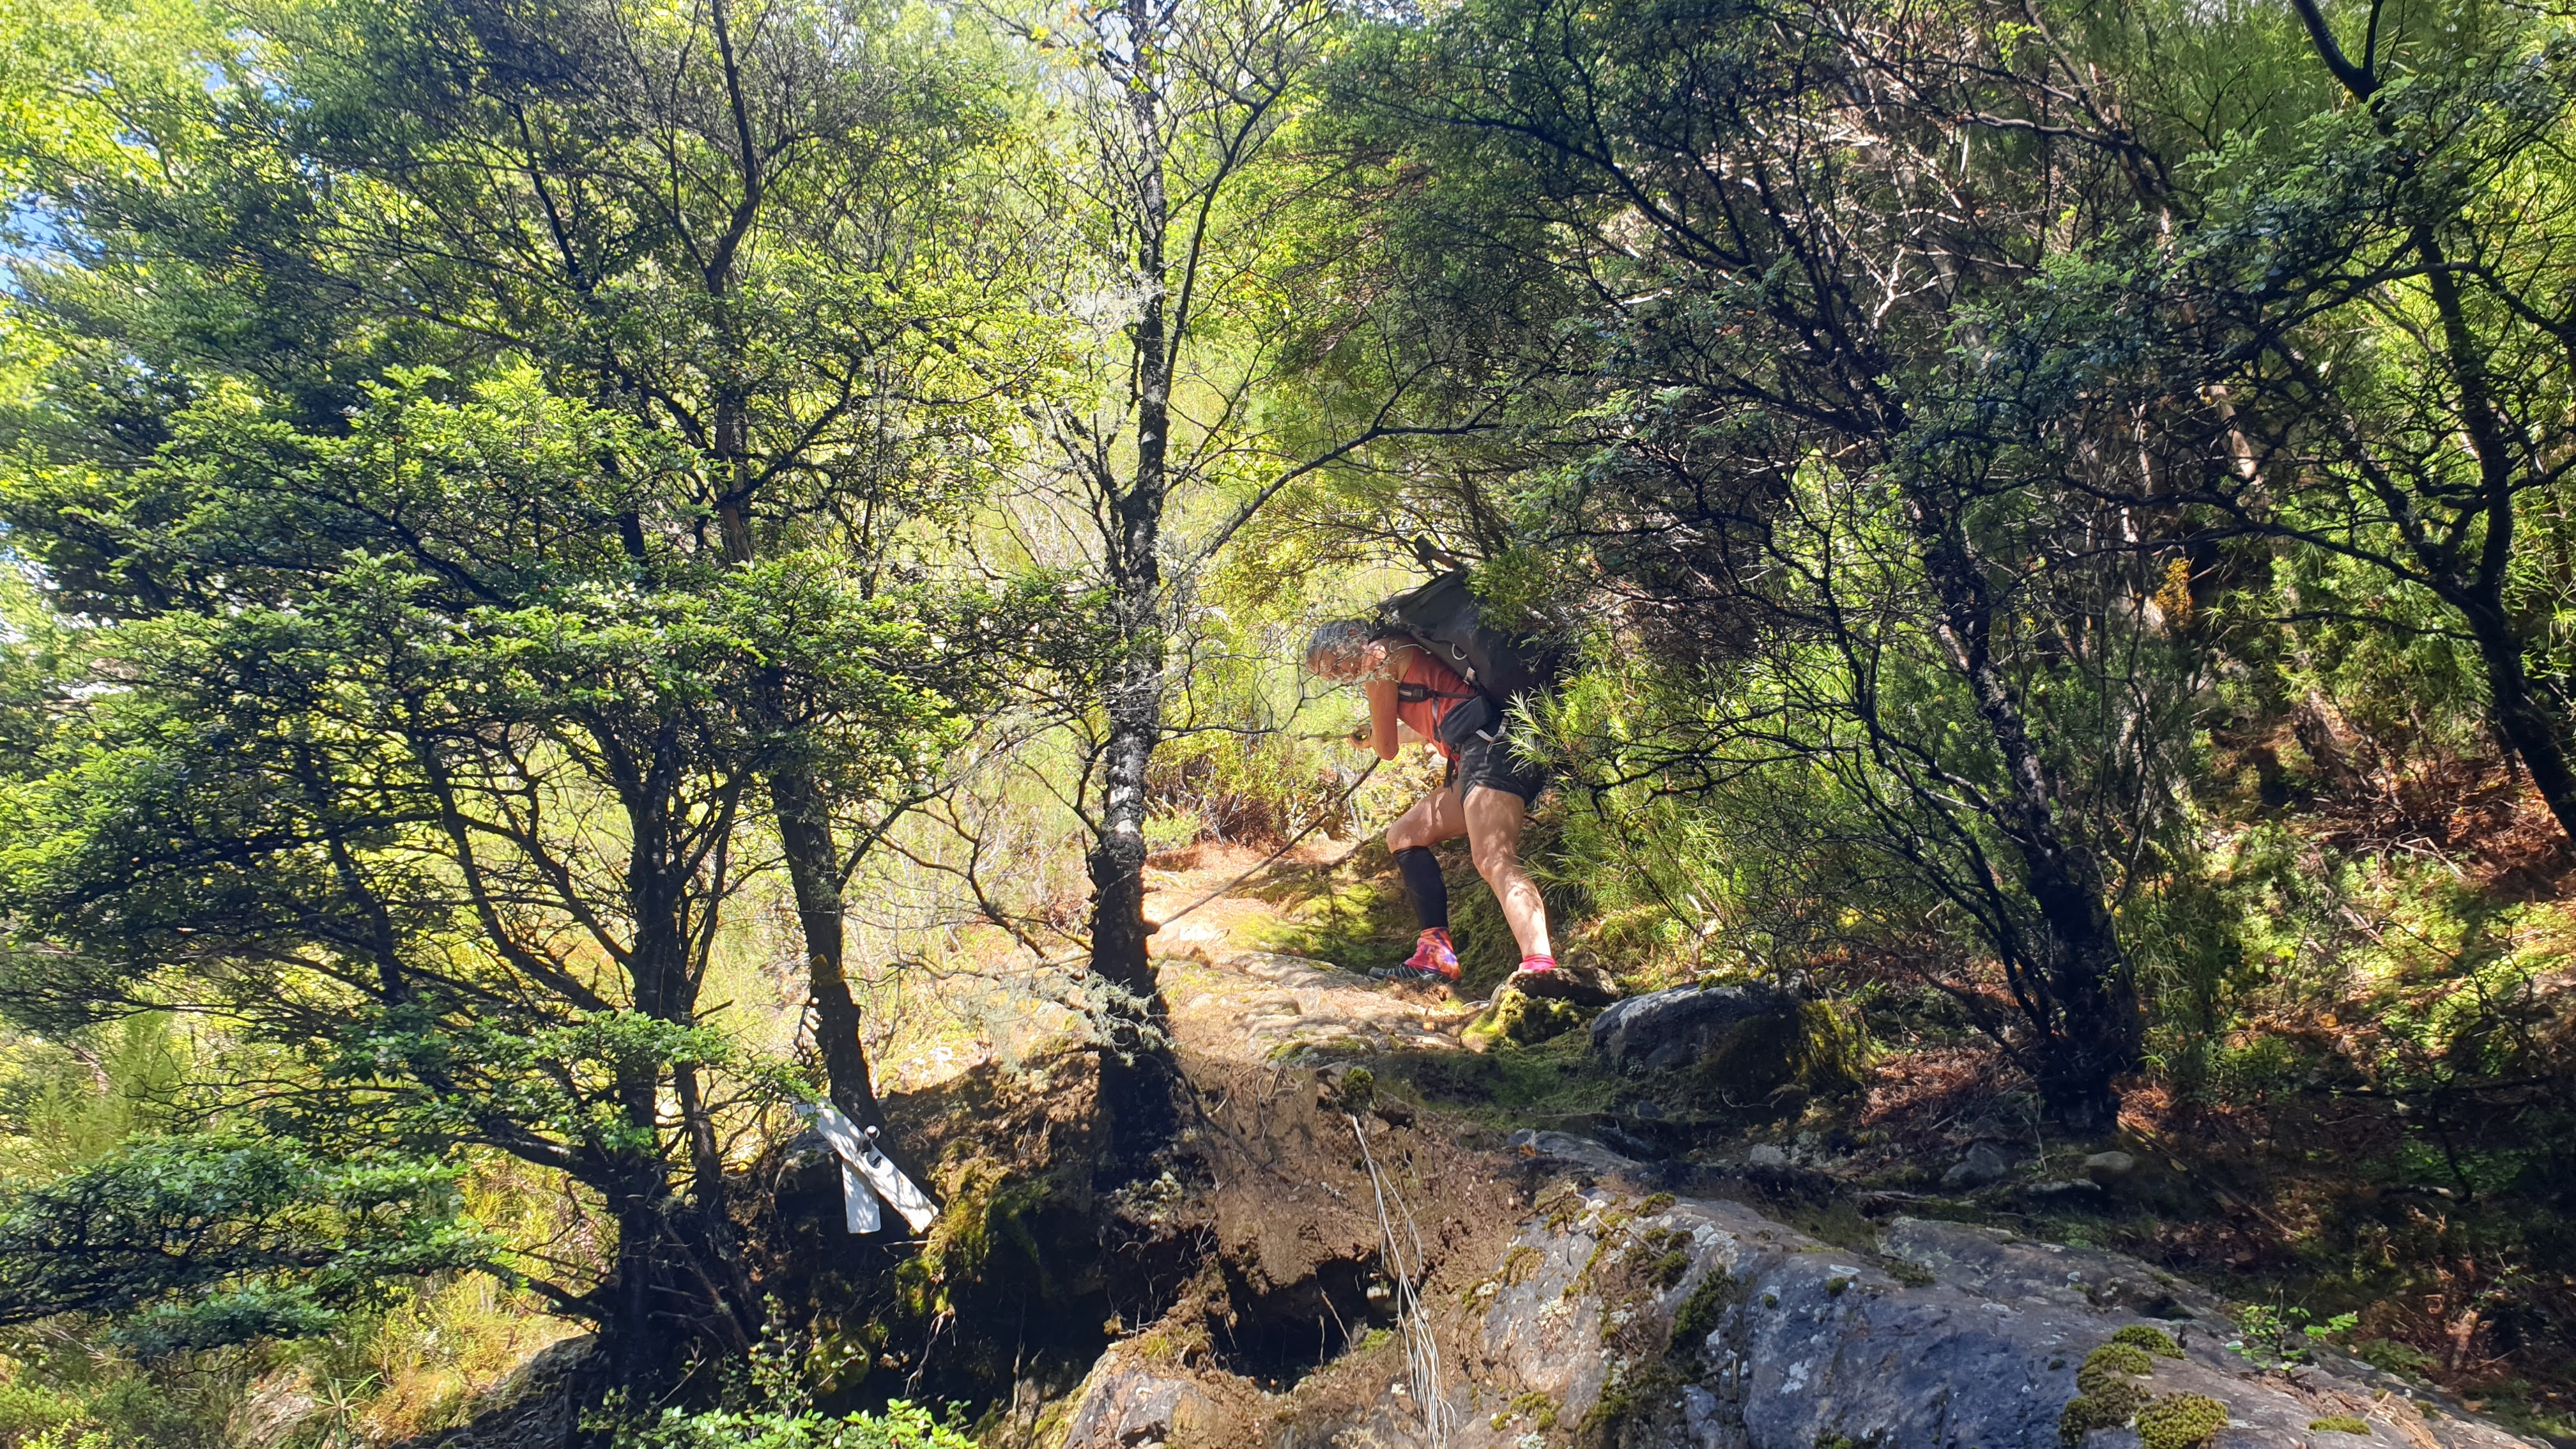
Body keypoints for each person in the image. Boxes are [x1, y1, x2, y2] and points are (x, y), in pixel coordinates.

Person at [1305, 619, 1563, 992]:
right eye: (1326, 675)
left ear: (1349, 637)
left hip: (1491, 748)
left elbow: (1388, 749)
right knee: (1405, 834)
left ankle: (1540, 965)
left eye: (1331, 665)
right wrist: (1372, 738)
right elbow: (1433, 720)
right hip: (1485, 749)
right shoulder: (1402, 649)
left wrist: (1376, 738)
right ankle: (1435, 954)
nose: (1335, 676)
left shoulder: (1377, 657)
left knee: (1494, 857)